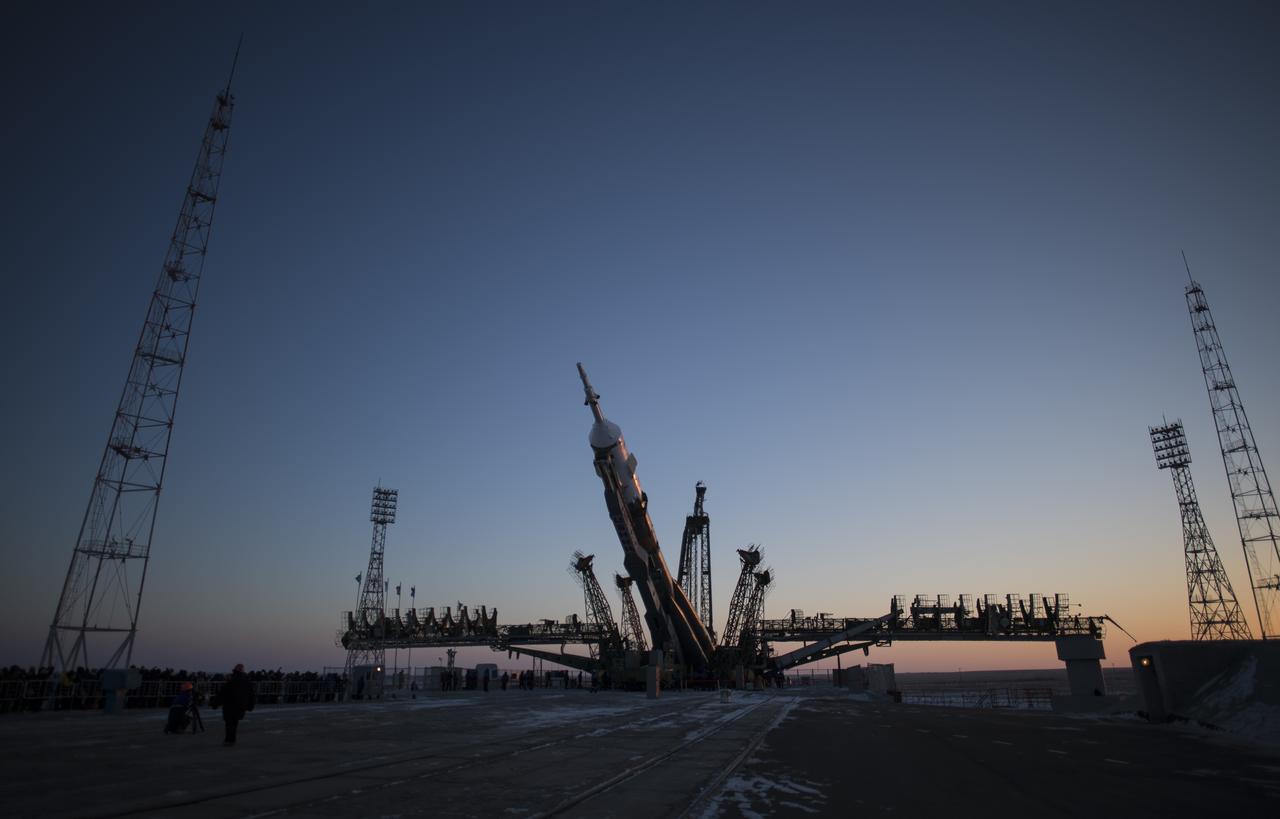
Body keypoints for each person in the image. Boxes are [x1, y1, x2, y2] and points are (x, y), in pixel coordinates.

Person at [218, 664, 254, 746]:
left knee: (229, 723)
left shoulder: (232, 679)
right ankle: (232, 739)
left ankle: (229, 739)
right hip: (241, 705)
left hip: (230, 705)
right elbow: (251, 694)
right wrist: (250, 705)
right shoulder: (246, 680)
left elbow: (224, 692)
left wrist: (215, 703)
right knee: (235, 722)